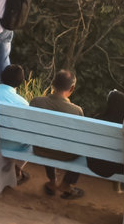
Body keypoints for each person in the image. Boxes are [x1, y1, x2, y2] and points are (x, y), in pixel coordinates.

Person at [30, 69, 85, 200]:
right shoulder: (76, 111)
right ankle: (66, 184)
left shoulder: (36, 102)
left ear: (53, 84)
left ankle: (52, 181)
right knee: (83, 148)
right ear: (72, 88)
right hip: (66, 155)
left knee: (46, 140)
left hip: (40, 149)